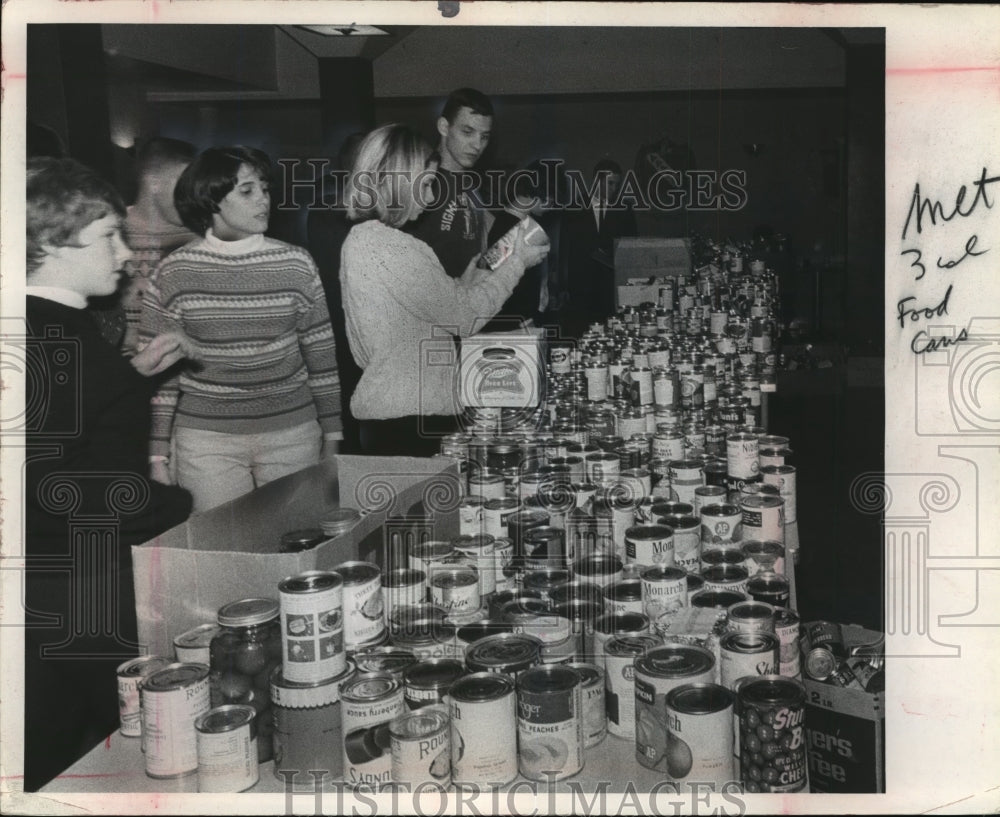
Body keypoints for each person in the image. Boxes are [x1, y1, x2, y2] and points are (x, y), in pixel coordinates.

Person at [24, 157, 195, 790]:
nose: (125, 255)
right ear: (47, 244)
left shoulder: (46, 326)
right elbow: (46, 487)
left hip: (61, 581)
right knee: (84, 757)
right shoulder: (53, 338)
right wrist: (171, 505)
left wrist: (131, 379)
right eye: (106, 237)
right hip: (73, 588)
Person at [139, 146, 343, 513]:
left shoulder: (296, 263)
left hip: (293, 434)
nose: (263, 200)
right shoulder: (173, 272)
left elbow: (322, 358)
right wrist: (156, 455)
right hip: (206, 442)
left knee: (297, 546)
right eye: (247, 191)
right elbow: (160, 378)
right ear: (211, 200)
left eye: (264, 189)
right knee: (222, 550)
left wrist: (334, 435)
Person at [340, 124, 549, 457]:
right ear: (398, 182)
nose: (431, 196)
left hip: (387, 416)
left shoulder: (361, 241)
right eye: (424, 185)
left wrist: (464, 285)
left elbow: (377, 339)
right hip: (412, 419)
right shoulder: (397, 247)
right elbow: (465, 319)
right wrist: (517, 262)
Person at [405, 87, 495, 278]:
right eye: (468, 132)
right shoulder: (423, 183)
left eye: (484, 137)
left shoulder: (470, 185)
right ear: (444, 127)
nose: (477, 145)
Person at [566, 158, 639, 327]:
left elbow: (632, 247)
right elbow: (567, 248)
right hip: (581, 286)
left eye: (617, 185)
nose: (614, 189)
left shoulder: (625, 209)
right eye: (610, 183)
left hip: (611, 286)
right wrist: (564, 285)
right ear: (597, 181)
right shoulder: (574, 207)